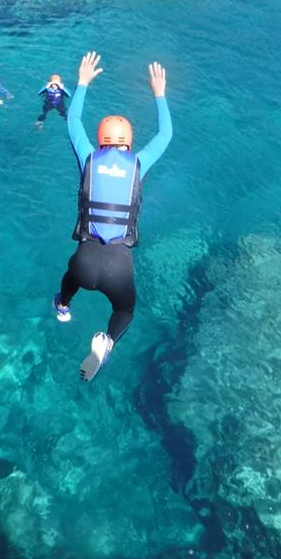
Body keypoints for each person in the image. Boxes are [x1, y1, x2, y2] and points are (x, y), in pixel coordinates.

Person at [54, 51, 172, 381]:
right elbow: (165, 136)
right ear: (129, 142)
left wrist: (82, 83)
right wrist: (159, 93)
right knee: (123, 310)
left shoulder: (89, 157)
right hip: (119, 267)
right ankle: (107, 342)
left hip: (85, 261)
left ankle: (63, 305)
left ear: (102, 139)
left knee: (69, 278)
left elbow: (73, 122)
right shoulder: (138, 164)